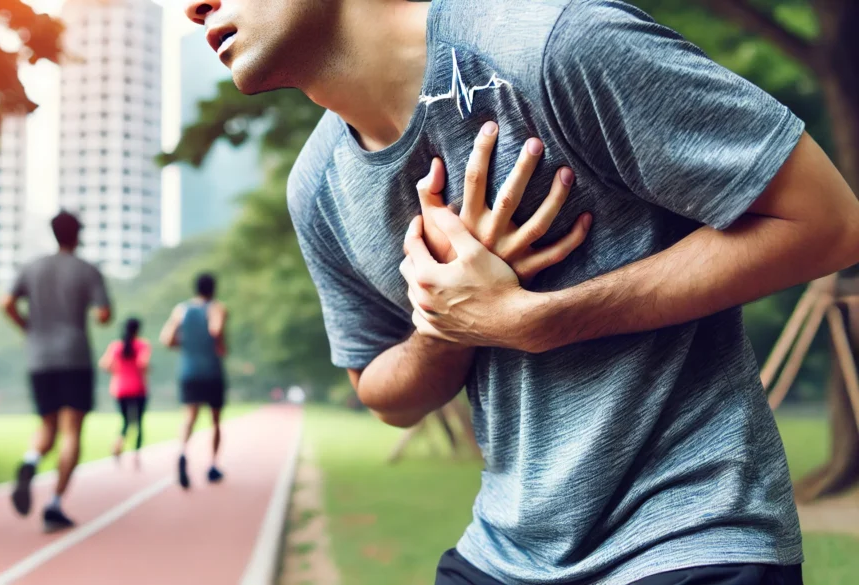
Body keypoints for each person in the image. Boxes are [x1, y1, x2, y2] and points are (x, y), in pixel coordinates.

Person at [181, 0, 859, 583]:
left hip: (690, 533)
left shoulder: (555, 46)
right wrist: (445, 322)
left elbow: (828, 222)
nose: (193, 4)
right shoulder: (317, 187)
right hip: (504, 551)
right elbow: (381, 389)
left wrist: (542, 319)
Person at [0, 210, 112, 533]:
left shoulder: (31, 267)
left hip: (39, 358)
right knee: (71, 431)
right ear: (78, 234)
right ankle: (55, 504)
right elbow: (103, 314)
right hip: (74, 356)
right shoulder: (87, 270)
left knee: (47, 428)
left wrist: (27, 328)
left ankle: (31, 461)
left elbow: (5, 302)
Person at [159, 273, 228, 489]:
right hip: (211, 371)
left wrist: (187, 343)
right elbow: (215, 330)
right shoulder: (217, 307)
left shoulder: (181, 309)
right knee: (215, 420)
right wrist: (219, 344)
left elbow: (166, 339)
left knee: (189, 417)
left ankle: (182, 452)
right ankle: (212, 465)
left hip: (189, 371)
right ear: (213, 289)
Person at [99, 317, 152, 467]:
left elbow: (104, 364)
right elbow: (143, 364)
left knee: (125, 422)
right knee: (139, 423)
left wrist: (118, 371)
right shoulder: (142, 345)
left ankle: (118, 444)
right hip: (138, 388)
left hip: (120, 388)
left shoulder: (116, 346)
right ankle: (136, 455)